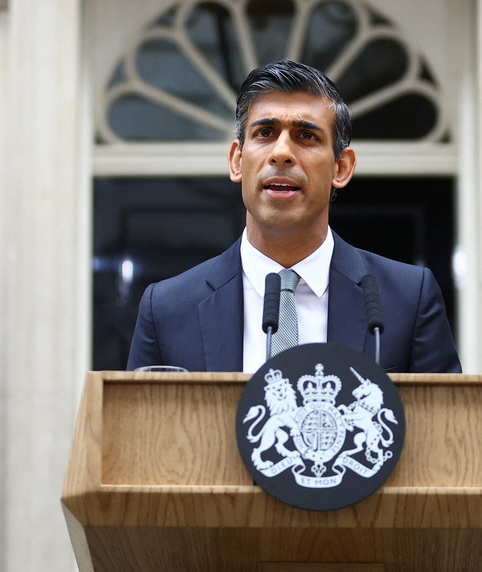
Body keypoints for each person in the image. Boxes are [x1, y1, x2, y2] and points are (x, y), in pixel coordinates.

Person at [126, 59, 460, 374]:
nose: (282, 153)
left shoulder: (407, 299)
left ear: (341, 167)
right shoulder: (168, 309)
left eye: (306, 136)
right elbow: (141, 432)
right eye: (265, 133)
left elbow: (447, 431)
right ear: (237, 161)